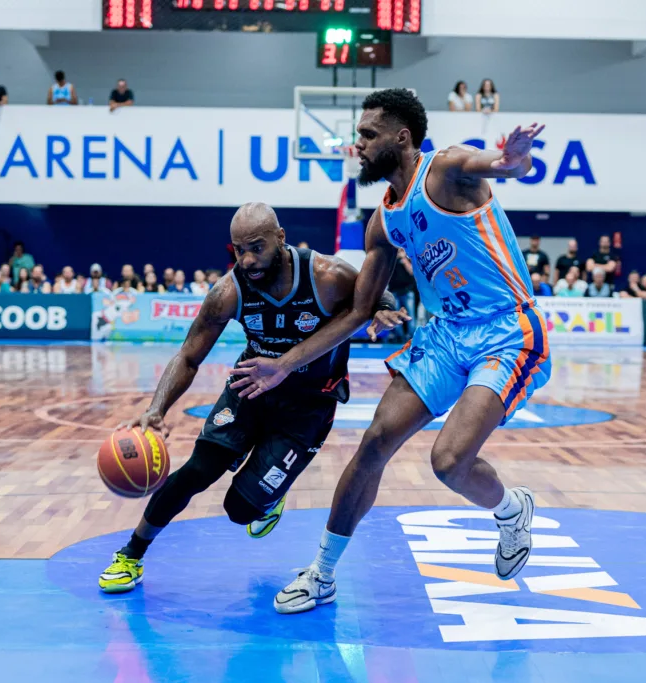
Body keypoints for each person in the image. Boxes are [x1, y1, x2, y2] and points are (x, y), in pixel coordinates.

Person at [226, 89, 550, 613]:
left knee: (448, 462)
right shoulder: (383, 222)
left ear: (401, 138)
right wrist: (283, 366)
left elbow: (498, 163)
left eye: (367, 135)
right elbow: (357, 313)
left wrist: (512, 158)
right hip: (446, 335)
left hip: (507, 331)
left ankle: (512, 511)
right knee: (374, 441)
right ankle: (323, 574)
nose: (357, 144)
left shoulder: (444, 170)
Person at [97, 203, 397, 593]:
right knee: (196, 472)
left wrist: (385, 309)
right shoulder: (229, 291)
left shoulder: (325, 275)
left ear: (281, 238)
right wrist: (156, 410)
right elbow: (188, 356)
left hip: (307, 407)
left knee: (239, 511)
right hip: (251, 388)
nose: (248, 259)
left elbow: (376, 293)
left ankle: (271, 495)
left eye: (257, 247)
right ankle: (131, 554)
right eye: (239, 250)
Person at [387, 249, 417, 343]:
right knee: (396, 316)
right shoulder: (391, 260)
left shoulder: (407, 259)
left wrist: (404, 259)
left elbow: (412, 272)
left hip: (407, 291)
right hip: (394, 291)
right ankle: (399, 336)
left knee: (410, 315)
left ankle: (412, 336)